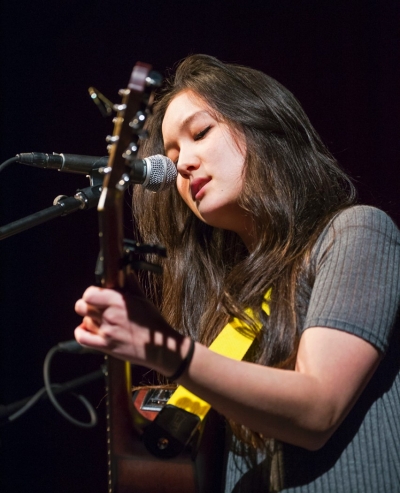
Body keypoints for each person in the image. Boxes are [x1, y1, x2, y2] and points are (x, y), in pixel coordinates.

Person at [74, 55, 400, 492]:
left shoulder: (356, 231)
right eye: (171, 156)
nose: (182, 165)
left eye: (201, 133)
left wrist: (173, 352)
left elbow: (318, 408)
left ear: (262, 123)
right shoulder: (228, 304)